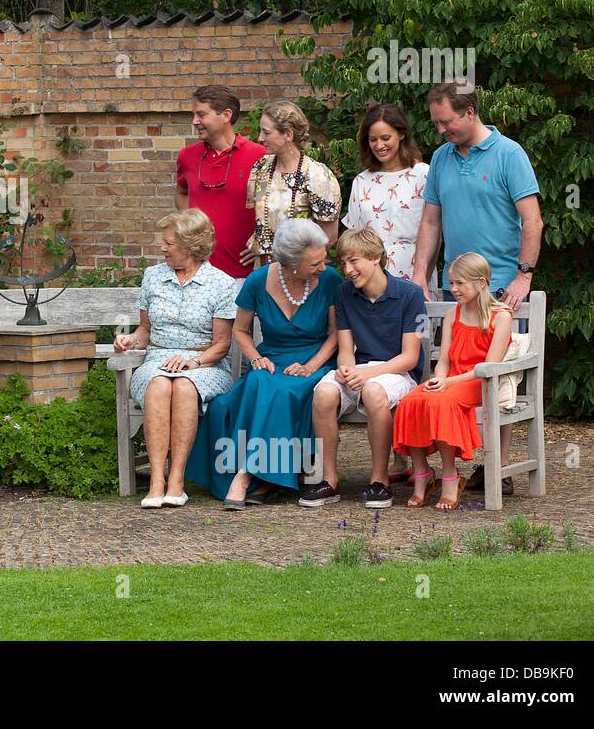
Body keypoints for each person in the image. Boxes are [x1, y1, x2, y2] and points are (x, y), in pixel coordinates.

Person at [409, 82, 543, 496]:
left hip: (502, 286)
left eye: (446, 121)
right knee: (455, 369)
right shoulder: (441, 158)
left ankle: (494, 466)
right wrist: (420, 274)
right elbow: (431, 222)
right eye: (436, 123)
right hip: (456, 287)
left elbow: (532, 220)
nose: (441, 130)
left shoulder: (509, 154)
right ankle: (456, 465)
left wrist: (524, 276)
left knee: (496, 377)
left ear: (469, 112)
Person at [187, 218, 340, 508]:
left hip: (315, 361)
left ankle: (246, 476)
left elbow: (335, 335)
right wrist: (256, 357)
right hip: (271, 357)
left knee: (282, 391)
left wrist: (310, 367)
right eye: (314, 263)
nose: (323, 267)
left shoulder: (330, 279)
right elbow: (240, 331)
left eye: (323, 259)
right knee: (256, 381)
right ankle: (265, 478)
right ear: (291, 264)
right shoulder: (257, 281)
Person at [112, 209, 237, 508]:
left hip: (204, 362)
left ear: (191, 246)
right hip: (157, 357)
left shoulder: (220, 283)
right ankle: (156, 481)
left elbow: (222, 344)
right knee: (158, 384)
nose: (162, 248)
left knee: (182, 386)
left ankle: (176, 481)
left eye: (169, 243)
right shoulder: (153, 276)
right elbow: (145, 329)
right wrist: (129, 340)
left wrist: (192, 363)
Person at [303, 227, 427, 509]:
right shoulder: (344, 294)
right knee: (323, 392)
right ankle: (328, 480)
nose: (348, 270)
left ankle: (379, 481)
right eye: (344, 262)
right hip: (360, 370)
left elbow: (409, 357)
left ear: (377, 258)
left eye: (354, 261)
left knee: (372, 391)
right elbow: (345, 350)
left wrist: (367, 374)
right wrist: (345, 369)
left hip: (398, 373)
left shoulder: (409, 295)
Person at [394, 253, 513, 511]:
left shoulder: (501, 317)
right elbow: (445, 362)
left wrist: (448, 384)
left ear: (481, 282)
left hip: (480, 383)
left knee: (443, 403)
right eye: (451, 283)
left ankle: (450, 476)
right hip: (452, 379)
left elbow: (488, 367)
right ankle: (423, 473)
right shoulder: (453, 315)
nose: (454, 289)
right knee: (412, 400)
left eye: (460, 283)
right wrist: (438, 380)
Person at [175, 86, 266, 280]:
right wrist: (188, 227)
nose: (195, 121)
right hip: (196, 272)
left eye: (201, 114)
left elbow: (271, 204)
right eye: (194, 115)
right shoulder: (187, 156)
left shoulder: (259, 156)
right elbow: (182, 192)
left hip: (242, 273)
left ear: (226, 115)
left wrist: (261, 240)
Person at [343, 103, 431, 284]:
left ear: (401, 134)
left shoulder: (424, 174)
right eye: (373, 139)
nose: (379, 145)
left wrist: (423, 274)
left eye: (385, 138)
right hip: (370, 276)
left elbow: (434, 230)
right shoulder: (361, 181)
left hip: (415, 274)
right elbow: (354, 240)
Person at [245, 100, 341, 263]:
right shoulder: (261, 168)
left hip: (300, 271)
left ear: (288, 135)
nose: (260, 138)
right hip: (264, 271)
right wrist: (257, 246)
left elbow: (328, 237)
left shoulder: (316, 175)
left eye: (266, 132)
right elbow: (263, 222)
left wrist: (298, 265)